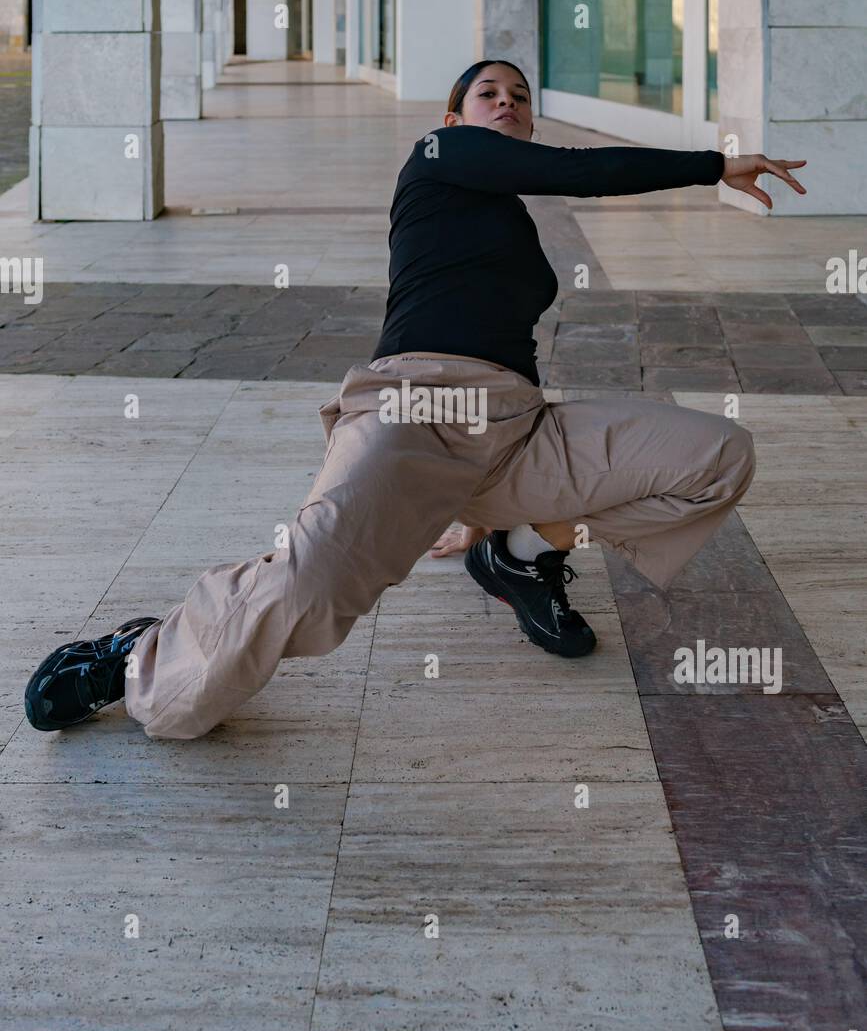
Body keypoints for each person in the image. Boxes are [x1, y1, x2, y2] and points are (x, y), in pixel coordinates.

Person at [24, 60, 807, 739]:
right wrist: (714, 165)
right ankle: (136, 658)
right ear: (452, 119)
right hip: (409, 410)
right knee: (311, 591)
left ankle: (522, 551)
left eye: (521, 97)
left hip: (513, 428)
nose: (508, 103)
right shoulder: (434, 158)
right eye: (488, 93)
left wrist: (477, 489)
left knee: (717, 456)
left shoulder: (506, 224)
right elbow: (582, 171)